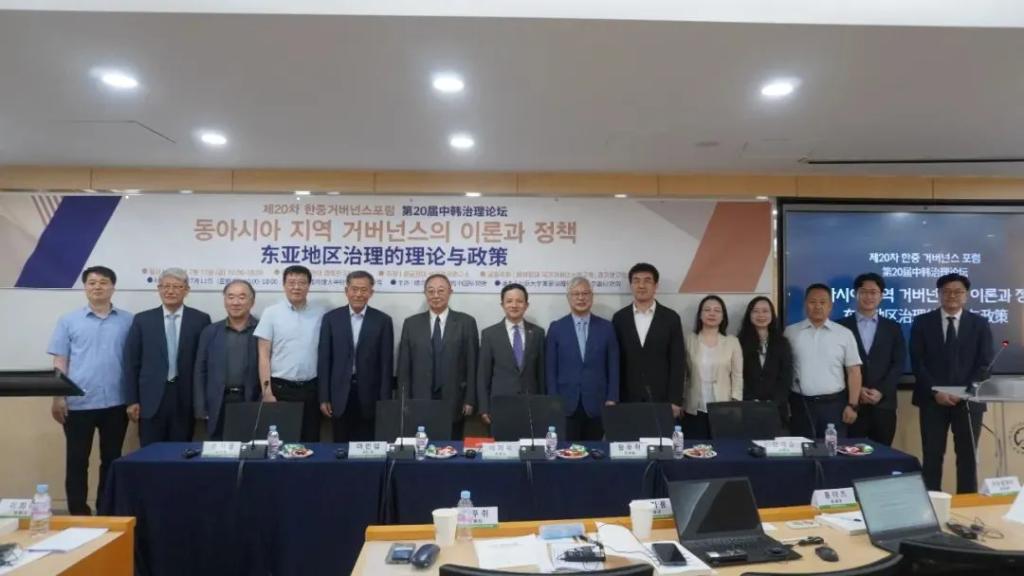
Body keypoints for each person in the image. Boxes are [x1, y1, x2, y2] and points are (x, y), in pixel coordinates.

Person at [47, 266, 133, 515]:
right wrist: (58, 396)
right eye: (92, 282)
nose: (98, 287)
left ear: (113, 287)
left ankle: (106, 510)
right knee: (77, 461)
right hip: (78, 403)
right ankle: (78, 513)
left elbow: (134, 361)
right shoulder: (68, 320)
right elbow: (60, 361)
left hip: (116, 403)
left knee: (111, 460)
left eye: (103, 282)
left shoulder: (128, 320)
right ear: (85, 287)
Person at [911, 273, 993, 493]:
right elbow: (917, 363)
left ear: (966, 295)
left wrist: (964, 392)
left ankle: (966, 505)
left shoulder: (979, 324)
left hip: (969, 402)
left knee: (967, 457)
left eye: (958, 292)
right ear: (939, 294)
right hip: (932, 401)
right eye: (946, 291)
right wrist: (935, 391)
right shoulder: (922, 322)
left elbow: (985, 364)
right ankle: (931, 503)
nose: (952, 296)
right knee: (932, 456)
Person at [124, 268, 211, 446]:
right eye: (166, 286)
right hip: (150, 398)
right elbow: (131, 363)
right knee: (149, 451)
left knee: (181, 451)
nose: (170, 291)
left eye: (177, 286)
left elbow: (205, 363)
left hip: (185, 396)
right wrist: (132, 400)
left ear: (186, 290)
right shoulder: (142, 320)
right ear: (159, 289)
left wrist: (202, 402)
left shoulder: (200, 319)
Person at [397, 274, 479, 439]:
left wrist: (470, 399)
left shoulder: (466, 322)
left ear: (450, 292)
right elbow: (404, 367)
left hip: (455, 398)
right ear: (425, 293)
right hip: (419, 398)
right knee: (421, 446)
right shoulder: (411, 323)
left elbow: (472, 364)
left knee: (452, 445)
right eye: (431, 291)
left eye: (441, 291)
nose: (436, 295)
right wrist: (403, 400)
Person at [318, 270, 394, 442]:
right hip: (339, 395)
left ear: (371, 293)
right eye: (354, 289)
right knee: (340, 446)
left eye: (364, 290)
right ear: (347, 291)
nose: (359, 294)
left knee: (368, 446)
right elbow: (324, 361)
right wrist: (324, 397)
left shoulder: (382, 320)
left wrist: (385, 402)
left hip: (370, 395)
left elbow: (386, 364)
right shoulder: (331, 319)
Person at [255, 265, 325, 443]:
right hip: (280, 389)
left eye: (302, 282)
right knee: (281, 441)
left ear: (309, 286)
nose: (296, 287)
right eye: (291, 282)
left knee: (310, 440)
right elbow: (263, 355)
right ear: (284, 285)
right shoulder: (271, 313)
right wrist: (267, 391)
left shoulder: (321, 313)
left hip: (311, 389)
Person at [784, 283, 862, 438]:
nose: (817, 306)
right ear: (805, 304)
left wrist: (853, 405)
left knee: (833, 449)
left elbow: (854, 371)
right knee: (801, 449)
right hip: (800, 405)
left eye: (822, 302)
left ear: (830, 306)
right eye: (812, 302)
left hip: (834, 406)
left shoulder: (844, 334)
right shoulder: (790, 332)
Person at [546, 277, 619, 440]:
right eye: (576, 294)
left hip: (598, 402)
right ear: (568, 298)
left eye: (585, 293)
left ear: (592, 296)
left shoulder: (606, 327)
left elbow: (613, 366)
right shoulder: (556, 328)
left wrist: (612, 398)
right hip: (565, 403)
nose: (581, 298)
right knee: (566, 451)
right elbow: (550, 369)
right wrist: (553, 400)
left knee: (595, 451)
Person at [838, 273, 906, 446]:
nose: (868, 296)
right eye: (863, 292)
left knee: (883, 454)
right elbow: (835, 365)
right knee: (850, 453)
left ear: (881, 295)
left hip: (883, 405)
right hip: (851, 404)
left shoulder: (893, 327)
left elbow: (898, 364)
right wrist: (857, 389)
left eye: (873, 292)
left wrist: (881, 391)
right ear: (855, 294)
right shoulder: (840, 326)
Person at [612, 263, 686, 416]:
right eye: (636, 280)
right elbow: (614, 361)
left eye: (647, 280)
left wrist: (675, 400)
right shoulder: (619, 318)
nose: (641, 285)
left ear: (656, 286)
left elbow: (678, 361)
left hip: (662, 398)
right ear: (631, 285)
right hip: (627, 398)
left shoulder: (671, 318)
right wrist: (614, 397)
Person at [193, 280, 260, 440]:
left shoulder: (262, 329)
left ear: (252, 302)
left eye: (242, 297)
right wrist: (200, 406)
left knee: (249, 449)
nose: (235, 302)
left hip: (250, 399)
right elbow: (200, 371)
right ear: (224, 301)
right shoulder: (210, 331)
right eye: (230, 297)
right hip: (218, 401)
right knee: (218, 449)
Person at [477, 283, 545, 427]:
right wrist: (484, 408)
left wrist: (543, 403)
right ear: (502, 305)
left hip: (531, 406)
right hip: (499, 405)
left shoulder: (538, 333)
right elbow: (483, 375)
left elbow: (541, 373)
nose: (514, 305)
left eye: (519, 301)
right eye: (509, 301)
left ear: (526, 305)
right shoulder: (489, 334)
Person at [683, 295, 743, 438]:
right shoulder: (688, 340)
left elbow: (737, 375)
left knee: (722, 447)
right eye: (707, 310)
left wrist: (735, 402)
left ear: (723, 317)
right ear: (700, 315)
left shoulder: (732, 342)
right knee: (695, 447)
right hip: (694, 407)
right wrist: (680, 400)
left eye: (717, 310)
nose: (712, 313)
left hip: (724, 407)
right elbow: (683, 374)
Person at [737, 296, 793, 428]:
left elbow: (786, 377)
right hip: (748, 407)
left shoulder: (782, 343)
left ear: (772, 315)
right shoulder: (739, 342)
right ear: (749, 315)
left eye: (765, 311)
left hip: (776, 409)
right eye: (756, 311)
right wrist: (751, 400)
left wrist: (773, 402)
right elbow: (737, 375)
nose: (761, 315)